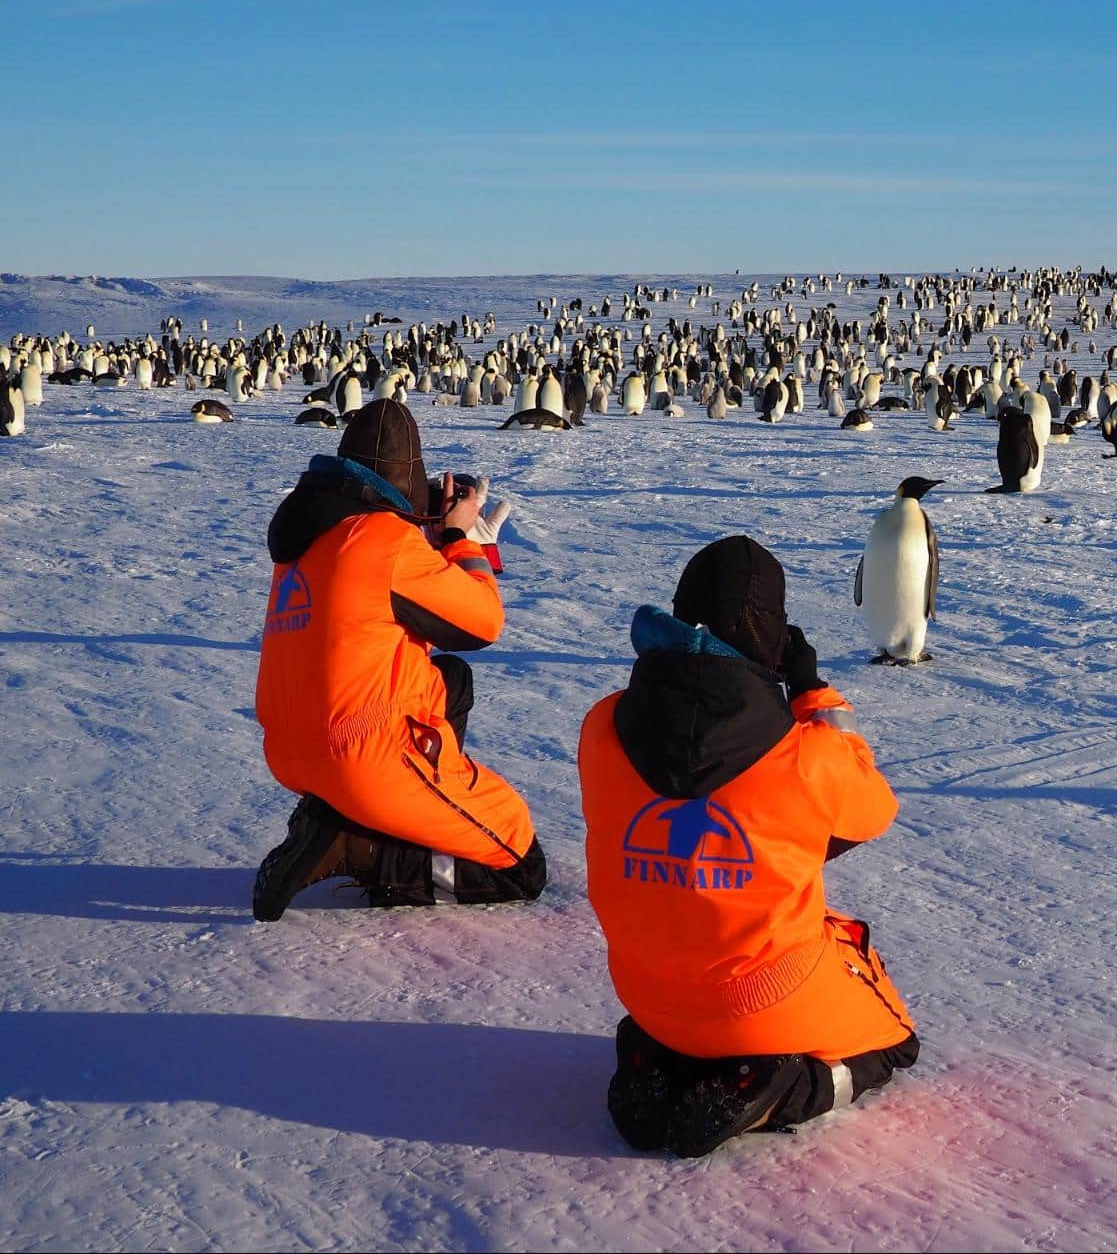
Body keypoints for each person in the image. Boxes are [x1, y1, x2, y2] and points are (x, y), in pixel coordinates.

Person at [578, 535, 919, 1158]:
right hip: (766, 1001)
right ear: (775, 638)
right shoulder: (807, 758)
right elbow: (870, 812)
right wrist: (814, 697)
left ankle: (661, 1055)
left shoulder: (602, 725)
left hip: (642, 990)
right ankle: (784, 1085)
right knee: (896, 1040)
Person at [251, 398, 545, 919]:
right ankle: (366, 850)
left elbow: (393, 606)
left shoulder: (310, 535)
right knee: (519, 863)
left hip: (293, 751)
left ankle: (359, 814)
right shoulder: (385, 542)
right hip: (360, 756)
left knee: (448, 679)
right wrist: (458, 539)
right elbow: (481, 622)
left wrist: (429, 543)